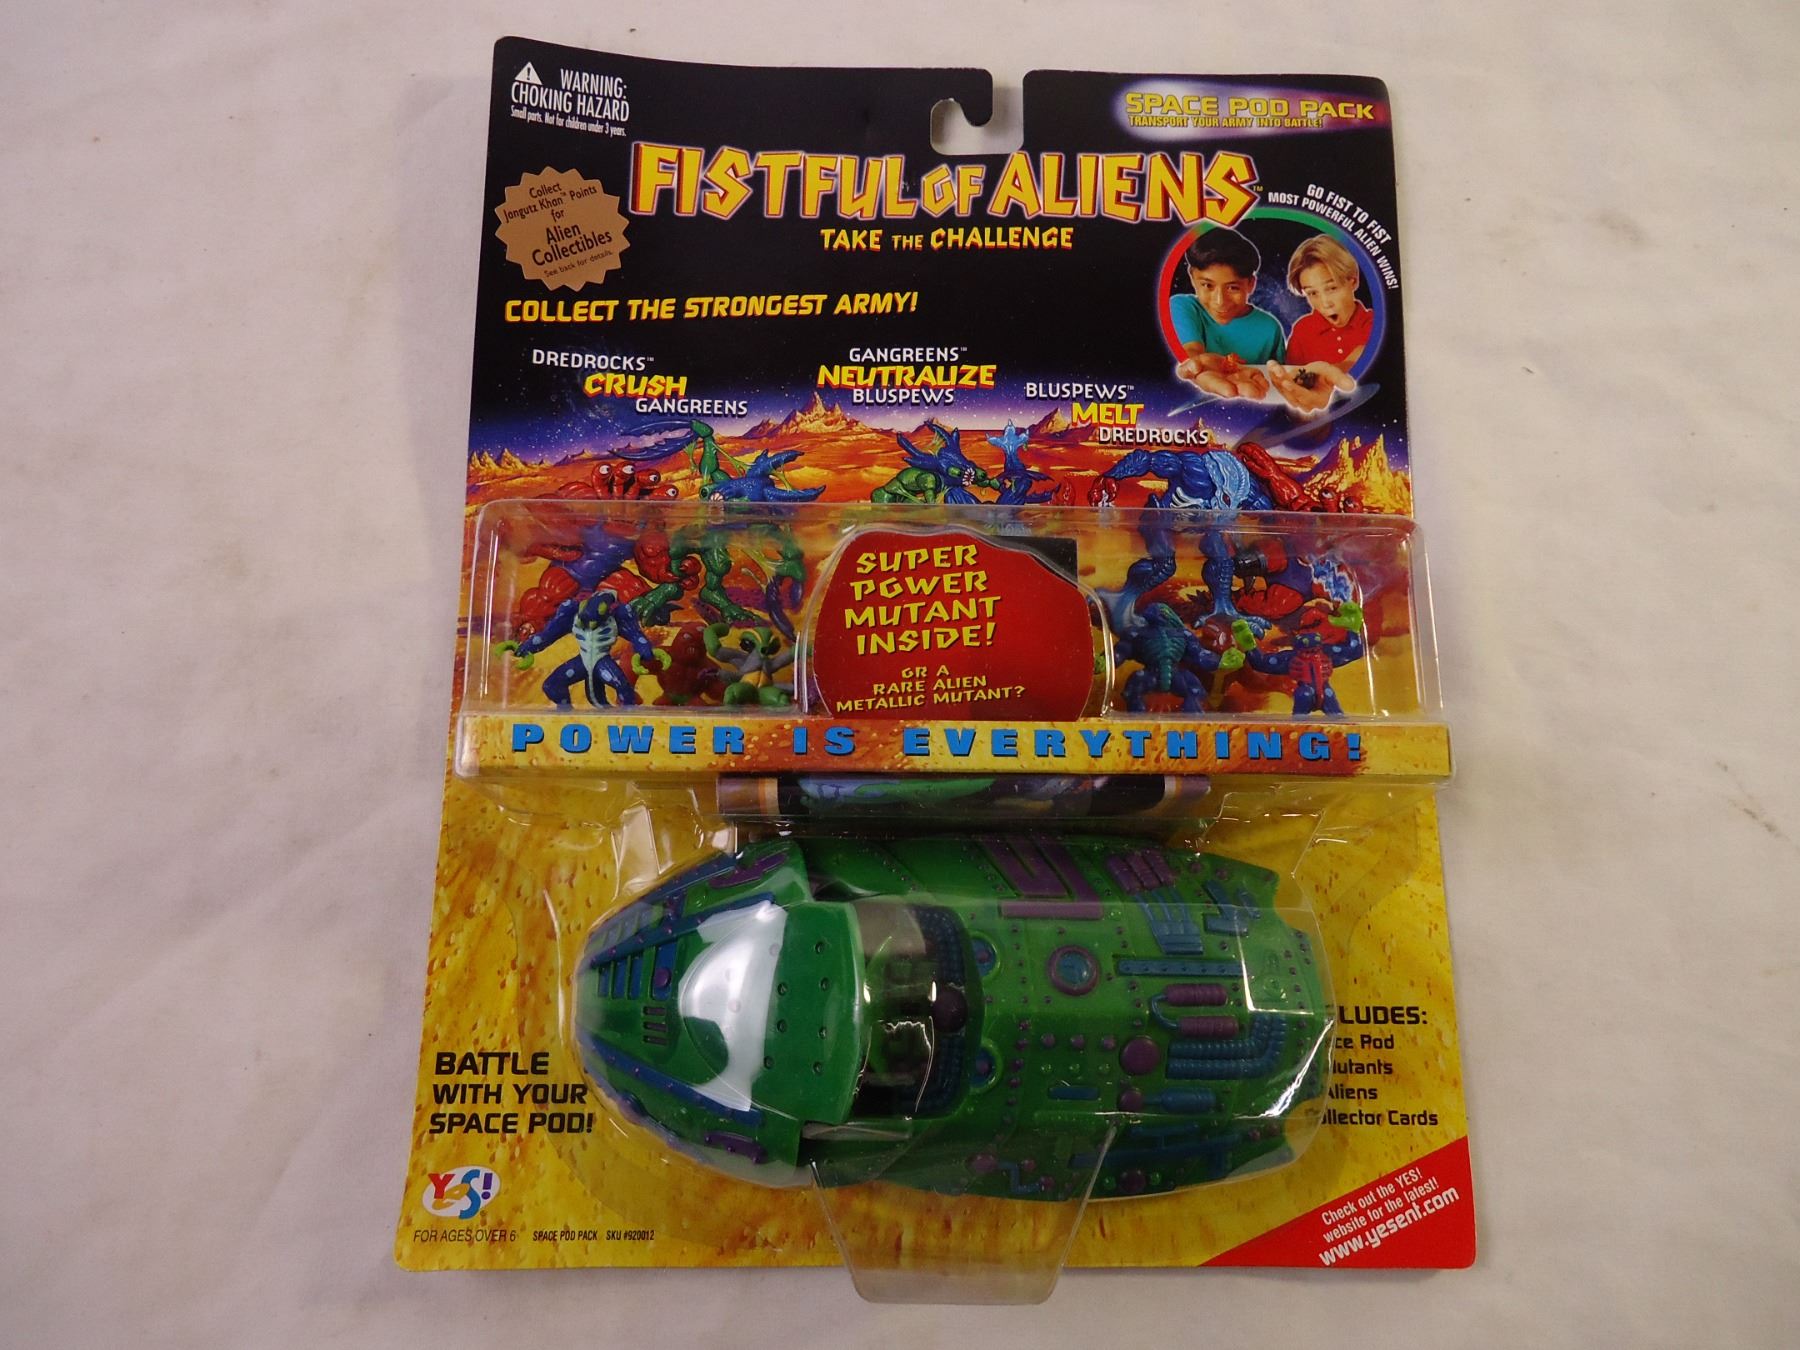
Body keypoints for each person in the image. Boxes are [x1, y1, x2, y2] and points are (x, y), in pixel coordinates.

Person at [1168, 227, 1286, 399]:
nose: (1220, 301)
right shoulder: (1183, 306)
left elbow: (1281, 377)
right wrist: (1201, 365)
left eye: (1233, 288)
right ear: (1192, 277)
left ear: (1251, 284)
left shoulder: (1270, 328)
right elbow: (1191, 349)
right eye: (1207, 285)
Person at [1282, 234, 1373, 369]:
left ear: (1353, 282)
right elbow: (1293, 377)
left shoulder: (1376, 324)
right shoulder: (1302, 331)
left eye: (1332, 288)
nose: (1325, 303)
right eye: (1313, 293)